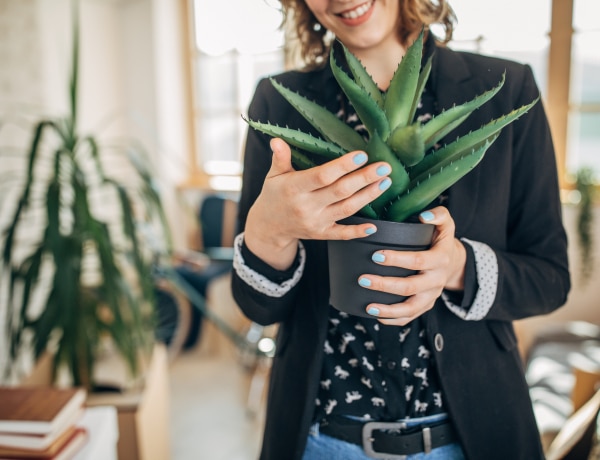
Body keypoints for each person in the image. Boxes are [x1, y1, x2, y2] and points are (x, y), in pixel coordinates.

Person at [231, 0, 570, 459]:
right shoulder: (279, 102)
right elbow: (258, 305)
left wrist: (456, 267)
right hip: (323, 438)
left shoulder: (505, 90)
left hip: (471, 436)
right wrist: (268, 234)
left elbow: (550, 278)